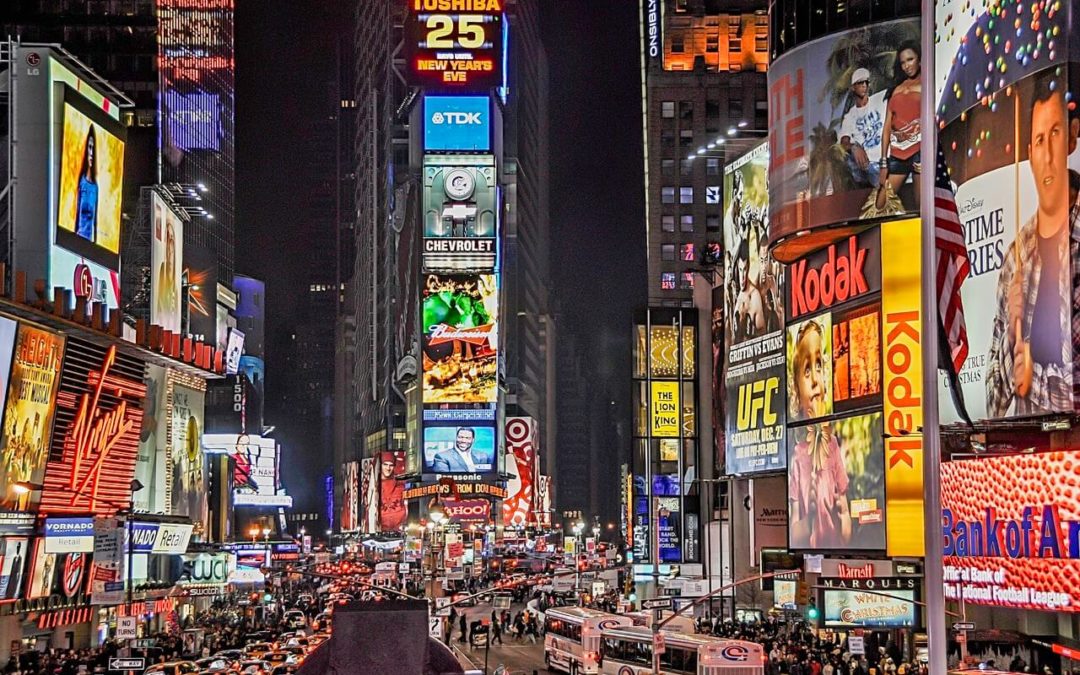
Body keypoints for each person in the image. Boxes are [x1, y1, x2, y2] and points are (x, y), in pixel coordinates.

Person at [987, 70, 1077, 416]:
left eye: (1055, 132)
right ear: (1029, 154)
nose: (1049, 154)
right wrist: (1013, 336)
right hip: (1033, 458)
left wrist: (1040, 378)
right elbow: (993, 404)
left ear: (1072, 136)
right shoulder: (1016, 257)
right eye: (1039, 140)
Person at [876, 42, 923, 211]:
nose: (906, 66)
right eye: (903, 62)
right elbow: (887, 128)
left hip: (919, 151)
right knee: (879, 205)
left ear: (919, 58)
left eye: (910, 59)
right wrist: (883, 163)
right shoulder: (896, 89)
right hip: (897, 154)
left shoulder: (928, 83)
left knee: (921, 207)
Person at [839, 67, 887, 188]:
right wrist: (854, 148)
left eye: (866, 82)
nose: (864, 85)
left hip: (887, 158)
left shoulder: (879, 99)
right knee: (848, 159)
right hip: (870, 165)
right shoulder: (850, 116)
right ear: (853, 87)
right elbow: (844, 142)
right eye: (860, 83)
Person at [788, 319, 829, 421]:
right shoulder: (796, 435)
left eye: (819, 366)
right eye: (807, 371)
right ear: (796, 387)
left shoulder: (833, 435)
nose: (815, 379)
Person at [155, 215, 179, 328]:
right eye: (167, 238)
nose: (170, 244)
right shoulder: (160, 274)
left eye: (172, 239)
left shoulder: (177, 289)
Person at [75, 127, 99, 242]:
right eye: (89, 147)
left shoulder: (95, 187)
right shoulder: (81, 182)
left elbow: (95, 221)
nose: (91, 153)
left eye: (93, 148)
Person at [378, 452, 407, 530]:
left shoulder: (399, 483)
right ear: (380, 465)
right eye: (385, 464)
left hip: (398, 528)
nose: (388, 468)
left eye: (391, 465)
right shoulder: (374, 484)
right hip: (379, 528)